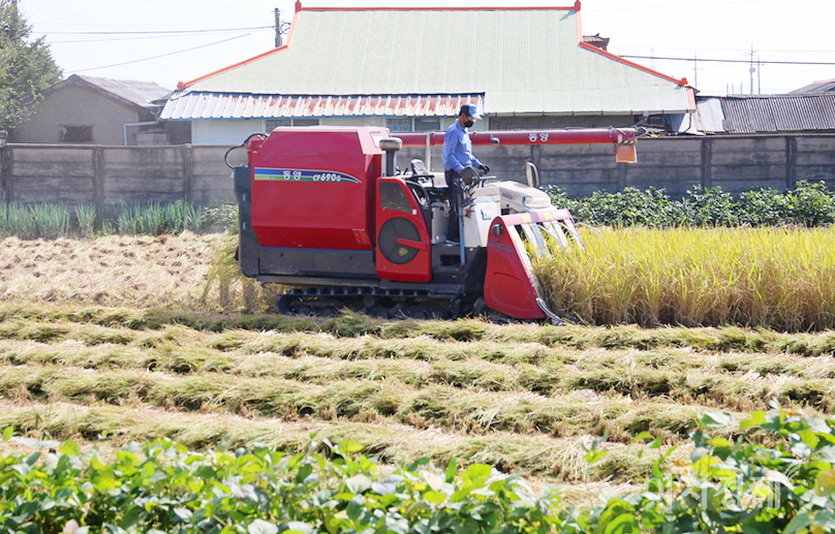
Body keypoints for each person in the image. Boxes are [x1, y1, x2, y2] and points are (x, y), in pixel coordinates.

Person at [442, 103, 490, 243]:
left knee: (466, 204)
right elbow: (449, 157)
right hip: (455, 173)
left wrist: (479, 164)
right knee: (457, 204)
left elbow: (467, 155)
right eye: (471, 118)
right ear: (463, 116)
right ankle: (452, 236)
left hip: (465, 172)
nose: (472, 122)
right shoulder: (453, 132)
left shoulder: (463, 131)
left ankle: (463, 234)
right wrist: (462, 171)